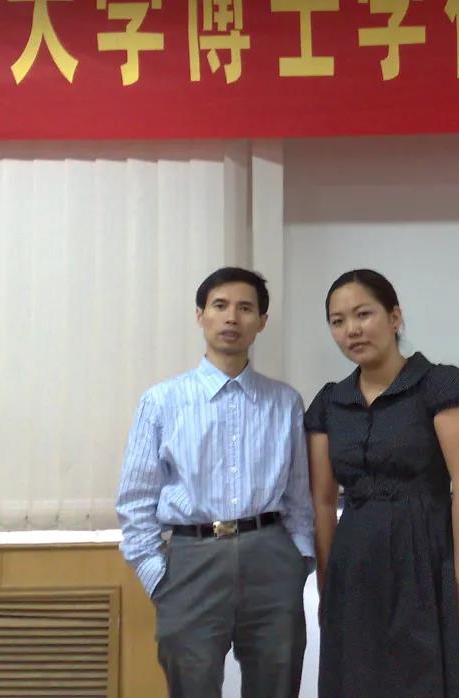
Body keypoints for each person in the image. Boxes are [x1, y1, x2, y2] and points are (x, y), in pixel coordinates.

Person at [116, 267, 314, 698]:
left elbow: (300, 496)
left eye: (245, 308)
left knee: (277, 684)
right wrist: (158, 576)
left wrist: (299, 559)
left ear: (262, 321)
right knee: (193, 686)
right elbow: (135, 500)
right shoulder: (162, 401)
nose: (231, 318)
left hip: (271, 559)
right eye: (220, 306)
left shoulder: (285, 402)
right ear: (200, 315)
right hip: (191, 561)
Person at [306, 269, 459, 698]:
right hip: (354, 565)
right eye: (337, 321)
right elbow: (323, 502)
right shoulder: (329, 402)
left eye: (363, 314)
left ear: (394, 317)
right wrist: (327, 585)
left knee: (424, 680)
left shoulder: (439, 384)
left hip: (424, 558)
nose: (352, 330)